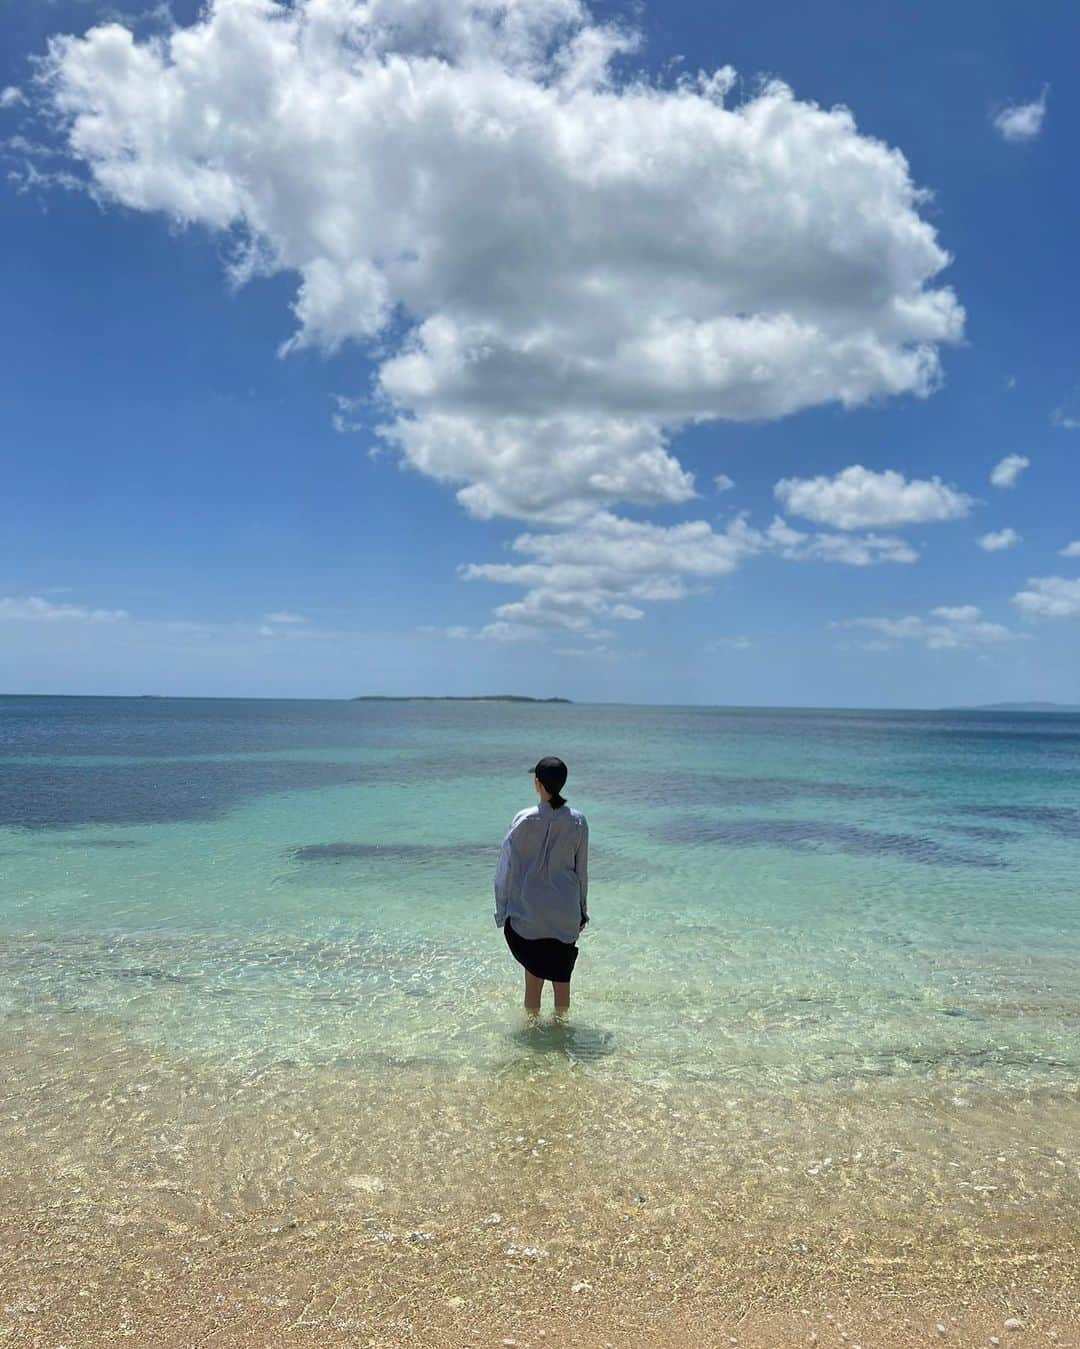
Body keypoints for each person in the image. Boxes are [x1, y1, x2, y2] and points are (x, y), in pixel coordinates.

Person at [494, 756, 589, 1015]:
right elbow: (582, 871)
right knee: (562, 980)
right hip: (565, 914)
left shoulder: (523, 819)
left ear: (538, 784)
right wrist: (582, 910)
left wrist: (502, 911)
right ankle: (562, 1031)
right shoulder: (579, 821)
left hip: (529, 914)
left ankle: (533, 1032)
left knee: (533, 980)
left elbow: (506, 868)